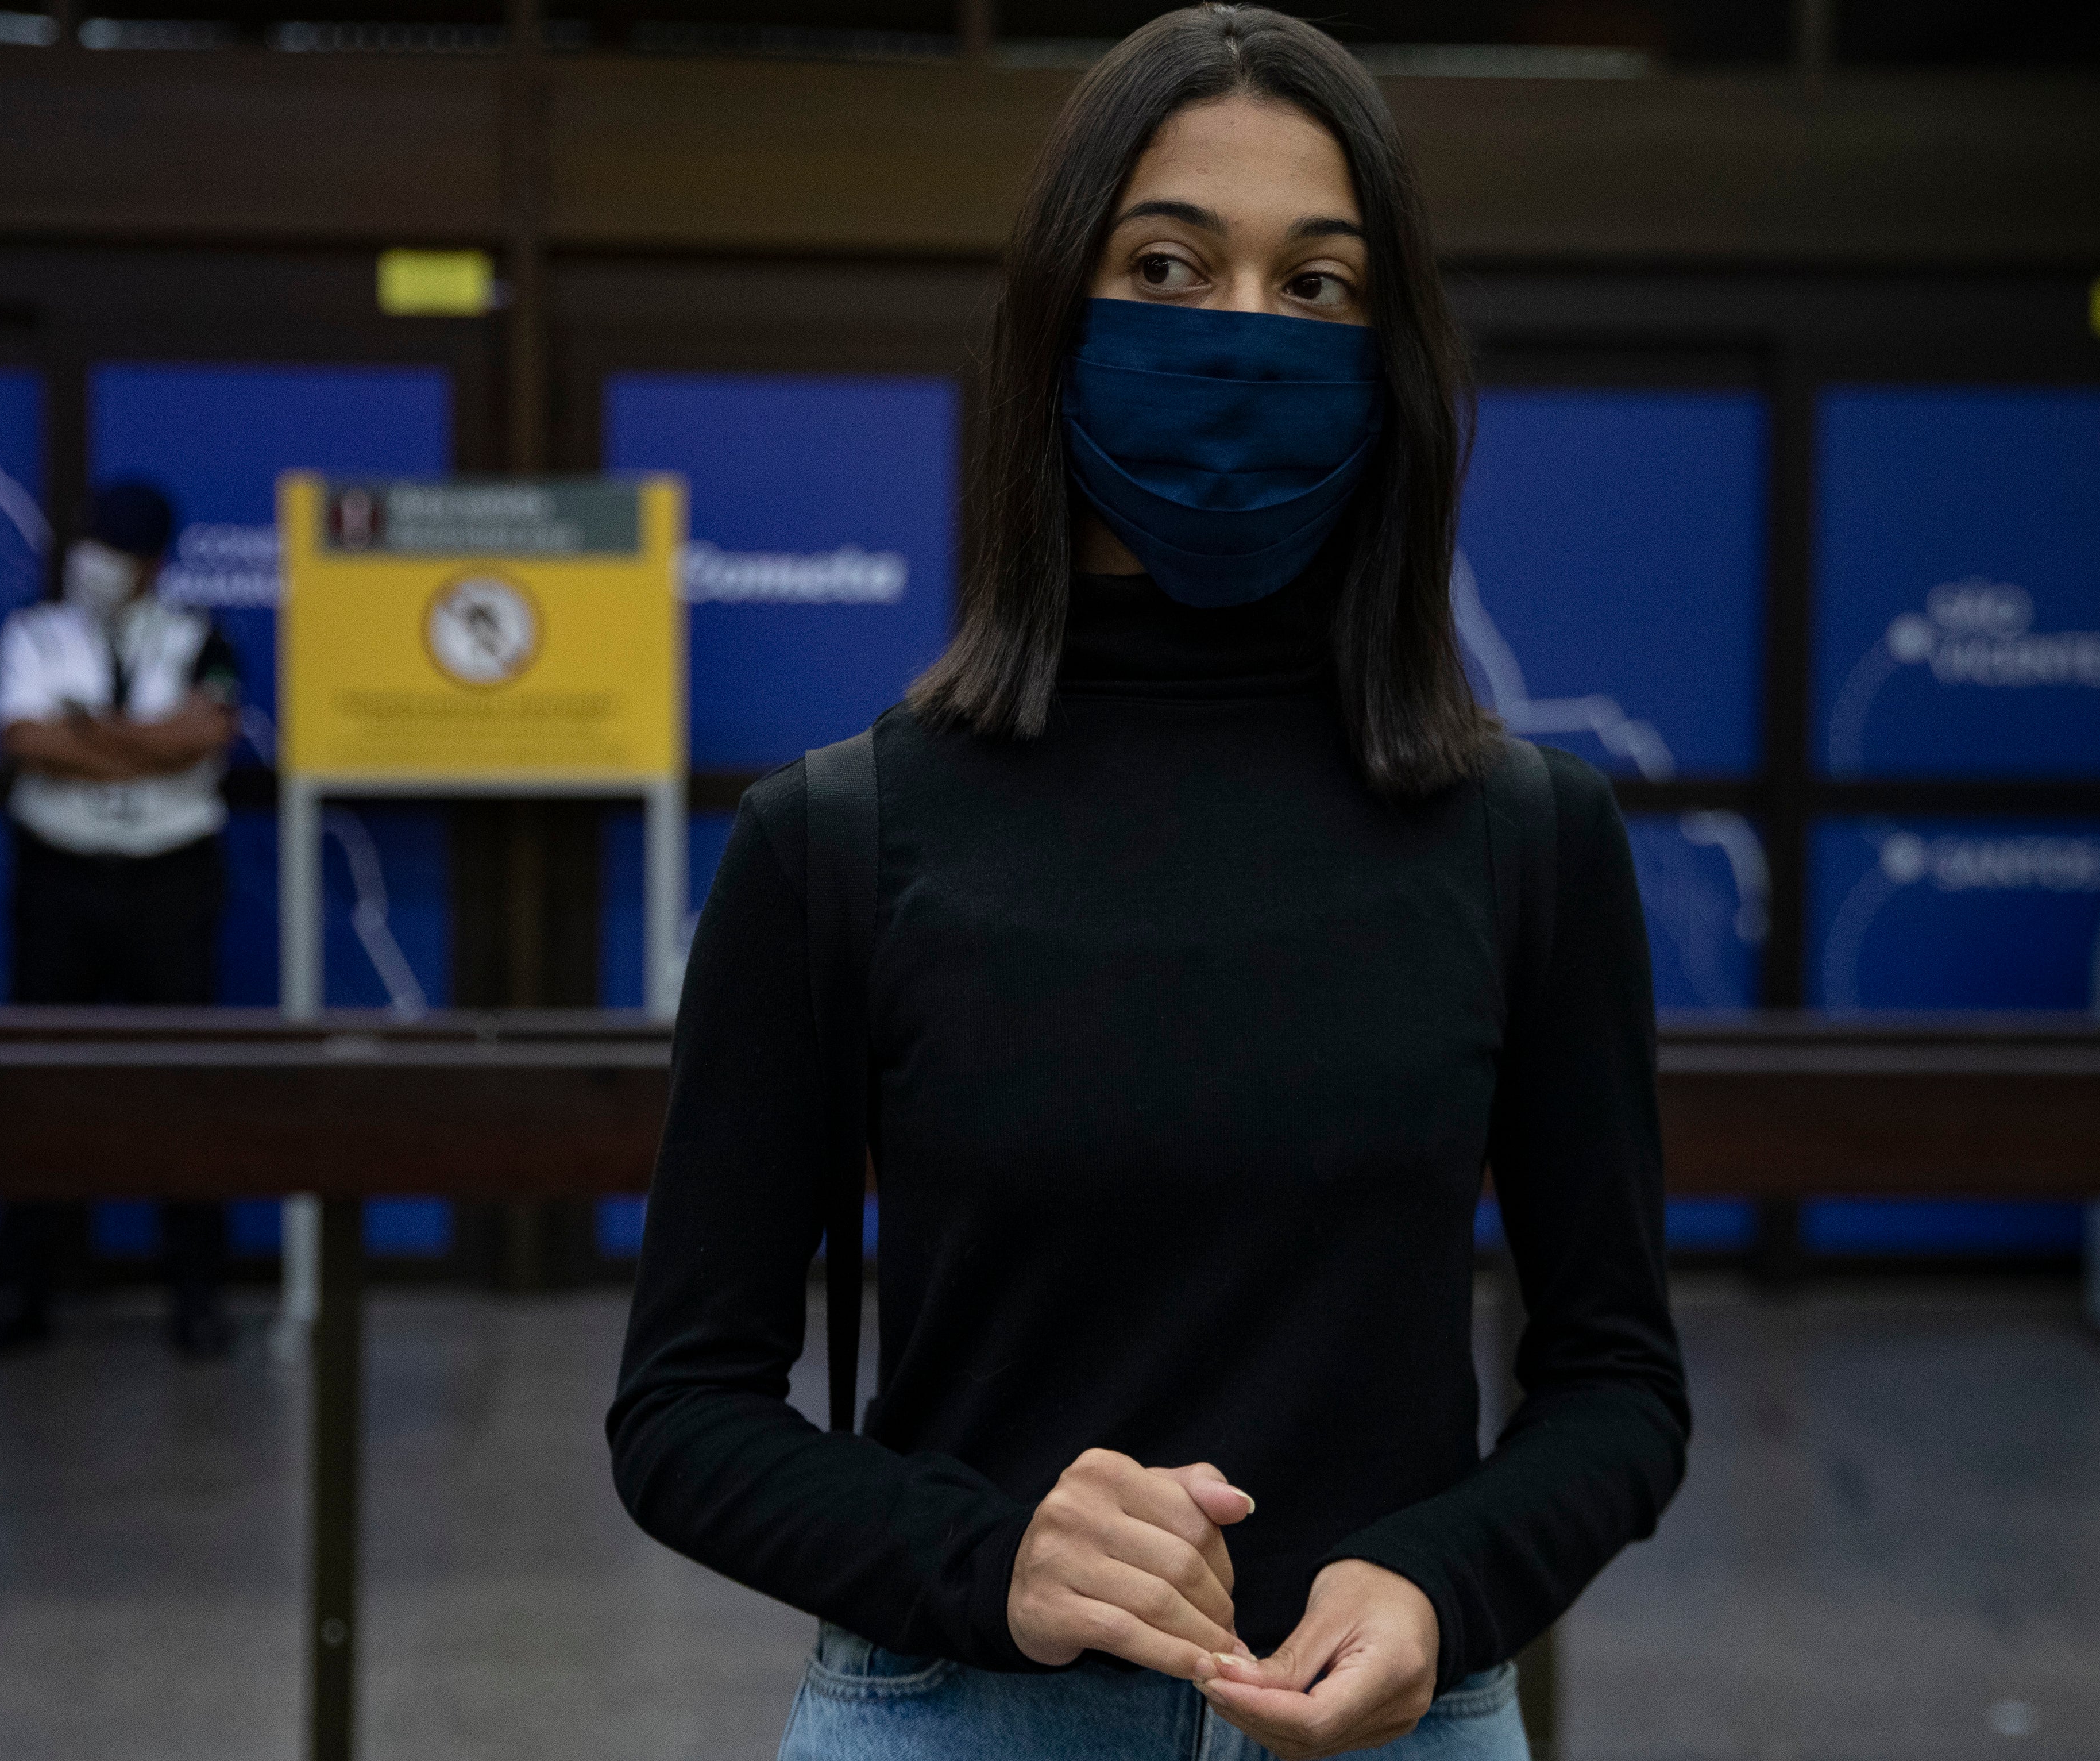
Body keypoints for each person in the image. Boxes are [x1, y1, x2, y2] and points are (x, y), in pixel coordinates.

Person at [605, 9, 1688, 1759]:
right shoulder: (839, 835)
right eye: (1168, 265)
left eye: (1317, 284)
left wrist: (1434, 1577)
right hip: (955, 1714)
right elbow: (681, 1413)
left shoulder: (1527, 838)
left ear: (1389, 349)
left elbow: (1620, 1386)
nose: (1244, 331)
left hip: (1400, 1728)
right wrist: (987, 1556)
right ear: (1052, 317)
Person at [0, 480, 244, 1363]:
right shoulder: (36, 635)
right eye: (92, 540)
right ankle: (19, 1293)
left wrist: (91, 732)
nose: (97, 562)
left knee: (184, 1087)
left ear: (153, 561)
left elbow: (206, 732)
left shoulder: (202, 637)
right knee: (38, 1080)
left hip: (171, 883)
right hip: (60, 880)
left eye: (118, 548)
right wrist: (144, 739)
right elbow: (26, 740)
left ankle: (196, 1296)